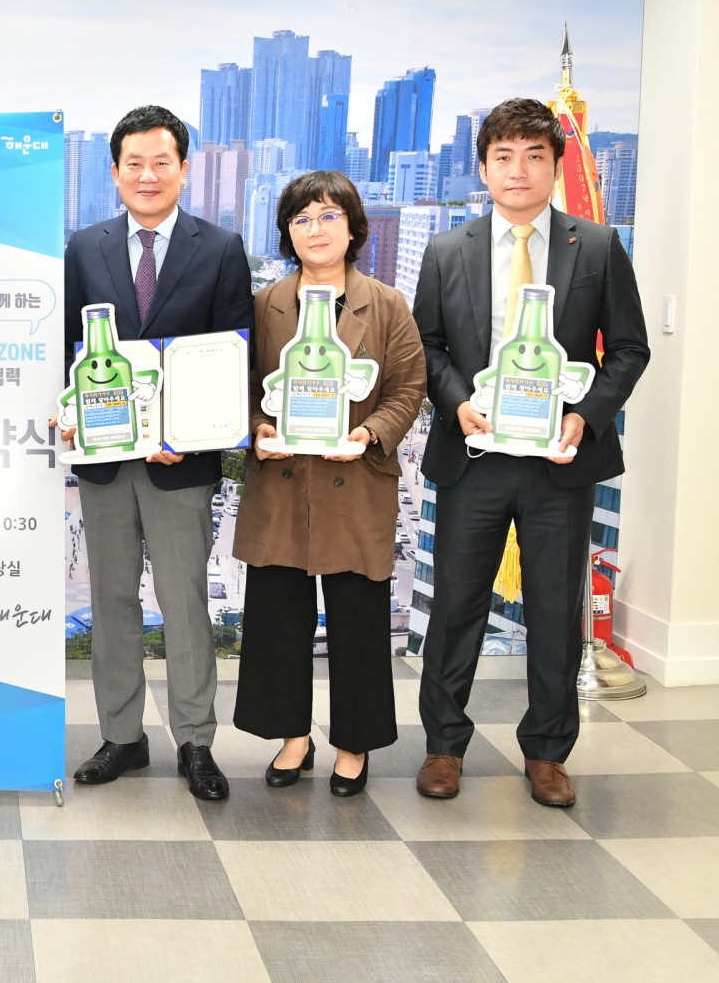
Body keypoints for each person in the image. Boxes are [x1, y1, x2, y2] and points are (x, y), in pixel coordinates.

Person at [412, 97, 649, 807]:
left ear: (555, 166)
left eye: (534, 156)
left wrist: (586, 417)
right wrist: (458, 403)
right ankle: (444, 747)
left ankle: (547, 752)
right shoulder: (447, 249)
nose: (519, 170)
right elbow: (427, 346)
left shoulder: (596, 247)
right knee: (456, 608)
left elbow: (629, 349)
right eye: (504, 157)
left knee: (553, 612)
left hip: (559, 464)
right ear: (484, 168)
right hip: (473, 458)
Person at [61, 104, 253, 800]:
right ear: (115, 172)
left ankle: (195, 741)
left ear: (184, 169)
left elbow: (231, 356)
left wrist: (188, 435)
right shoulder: (84, 247)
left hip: (182, 464)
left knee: (184, 602)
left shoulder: (221, 248)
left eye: (161, 162)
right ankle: (122, 736)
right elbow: (68, 350)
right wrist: (70, 412)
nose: (148, 175)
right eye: (134, 163)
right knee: (111, 601)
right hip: (107, 460)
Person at [231, 171, 424, 796]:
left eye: (328, 216)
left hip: (356, 482)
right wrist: (258, 428)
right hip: (282, 482)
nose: (316, 229)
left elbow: (408, 389)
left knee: (358, 621)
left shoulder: (387, 304)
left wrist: (367, 434)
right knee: (278, 618)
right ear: (288, 233)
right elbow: (240, 388)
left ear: (352, 226)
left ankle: (353, 744)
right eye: (302, 219)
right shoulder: (264, 305)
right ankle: (293, 737)